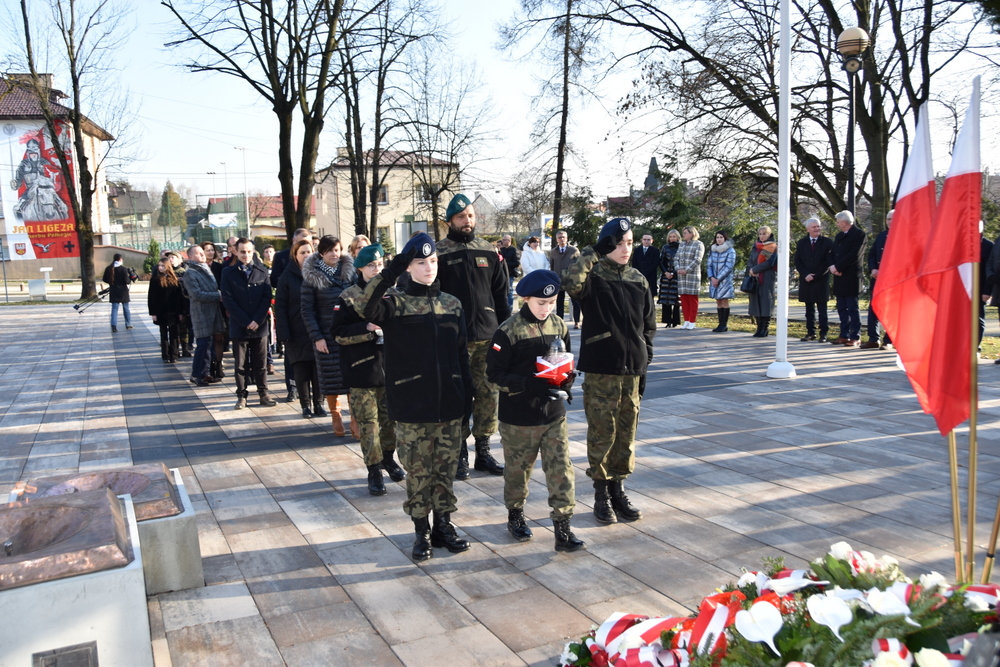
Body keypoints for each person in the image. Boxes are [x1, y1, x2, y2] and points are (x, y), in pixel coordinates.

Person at [352, 232, 473, 562]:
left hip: (449, 404)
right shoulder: (395, 304)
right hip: (412, 406)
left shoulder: (452, 304)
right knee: (419, 474)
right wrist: (392, 269)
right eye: (420, 262)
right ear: (408, 266)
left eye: (432, 261)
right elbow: (365, 306)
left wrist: (467, 397)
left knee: (445, 471)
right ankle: (422, 531)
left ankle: (443, 526)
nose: (429, 268)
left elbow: (461, 355)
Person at [562, 218, 655, 525]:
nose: (625, 249)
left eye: (629, 243)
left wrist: (645, 360)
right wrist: (593, 252)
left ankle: (619, 490)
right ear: (607, 245)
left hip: (632, 370)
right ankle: (601, 494)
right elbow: (570, 283)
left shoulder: (638, 279)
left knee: (626, 434)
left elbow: (648, 325)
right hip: (602, 368)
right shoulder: (594, 275)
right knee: (603, 432)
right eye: (618, 244)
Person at [486, 270, 585, 552]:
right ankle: (515, 514)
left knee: (562, 471)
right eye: (541, 303)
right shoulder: (508, 331)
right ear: (525, 299)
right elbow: (493, 376)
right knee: (518, 472)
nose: (547, 308)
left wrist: (566, 381)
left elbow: (565, 361)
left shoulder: (559, 325)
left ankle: (563, 527)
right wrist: (527, 384)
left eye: (552, 302)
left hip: (553, 414)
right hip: (519, 418)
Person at [436, 193, 511, 478]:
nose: (467, 221)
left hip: (488, 337)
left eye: (470, 215)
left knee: (488, 396)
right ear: (449, 221)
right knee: (458, 398)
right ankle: (459, 454)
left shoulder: (489, 251)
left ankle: (483, 451)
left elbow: (501, 295)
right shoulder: (438, 254)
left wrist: (505, 334)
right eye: (460, 217)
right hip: (453, 340)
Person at [333, 243, 406, 495]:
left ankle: (388, 458)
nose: (377, 269)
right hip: (362, 370)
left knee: (390, 422)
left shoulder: (393, 294)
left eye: (380, 264)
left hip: (390, 368)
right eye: (371, 265)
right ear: (360, 268)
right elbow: (339, 334)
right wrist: (366, 329)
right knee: (369, 424)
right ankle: (374, 470)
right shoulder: (348, 296)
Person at [301, 235, 355, 436]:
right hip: (326, 334)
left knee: (352, 377)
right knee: (331, 378)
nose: (334, 254)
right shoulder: (312, 277)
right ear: (322, 252)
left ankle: (355, 418)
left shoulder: (350, 273)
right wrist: (317, 337)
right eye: (330, 250)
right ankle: (336, 415)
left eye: (337, 250)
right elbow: (307, 310)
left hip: (348, 333)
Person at [220, 238, 277, 409]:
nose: (246, 255)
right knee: (240, 365)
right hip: (239, 326)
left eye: (249, 251)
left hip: (260, 326)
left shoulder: (262, 271)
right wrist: (245, 321)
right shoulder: (228, 273)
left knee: (261, 364)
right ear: (236, 252)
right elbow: (228, 300)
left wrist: (257, 320)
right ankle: (241, 396)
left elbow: (266, 297)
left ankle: (263, 394)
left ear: (253, 252)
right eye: (242, 251)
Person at [274, 239, 326, 418]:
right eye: (302, 252)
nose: (306, 255)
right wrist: (283, 333)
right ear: (295, 255)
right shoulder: (286, 276)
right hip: (295, 331)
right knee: (301, 370)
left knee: (318, 369)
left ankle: (319, 403)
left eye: (309, 251)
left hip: (317, 330)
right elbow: (280, 307)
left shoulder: (319, 273)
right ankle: (305, 406)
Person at [182, 245, 225, 386]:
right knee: (202, 343)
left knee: (209, 343)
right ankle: (196, 374)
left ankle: (205, 373)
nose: (202, 255)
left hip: (212, 311)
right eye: (198, 253)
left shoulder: (205, 268)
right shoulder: (190, 273)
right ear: (190, 257)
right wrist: (218, 296)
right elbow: (197, 294)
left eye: (202, 253)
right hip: (201, 312)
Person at [828, 210, 866, 347]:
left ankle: (855, 336)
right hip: (839, 276)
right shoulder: (839, 236)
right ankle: (844, 335)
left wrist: (838, 267)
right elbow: (832, 253)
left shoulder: (859, 234)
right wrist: (832, 267)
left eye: (838, 222)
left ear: (844, 222)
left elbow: (854, 255)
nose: (837, 224)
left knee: (852, 307)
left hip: (851, 276)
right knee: (842, 307)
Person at [794, 217, 833, 342]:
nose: (817, 229)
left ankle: (823, 333)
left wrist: (816, 275)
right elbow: (798, 261)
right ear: (808, 229)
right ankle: (811, 332)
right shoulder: (802, 243)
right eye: (814, 227)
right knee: (809, 309)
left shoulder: (827, 242)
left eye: (818, 226)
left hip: (821, 280)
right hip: (806, 280)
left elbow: (828, 261)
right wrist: (806, 274)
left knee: (822, 309)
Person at [861, 210, 892, 349]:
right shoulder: (881, 235)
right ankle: (873, 338)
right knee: (874, 307)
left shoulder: (903, 236)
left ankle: (888, 340)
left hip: (892, 280)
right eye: (888, 219)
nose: (890, 221)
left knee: (890, 310)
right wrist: (873, 269)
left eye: (893, 219)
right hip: (877, 278)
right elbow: (872, 254)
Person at [148, 258, 185, 363]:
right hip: (161, 311)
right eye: (159, 266)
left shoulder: (174, 279)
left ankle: (174, 355)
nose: (160, 268)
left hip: (173, 311)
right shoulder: (155, 279)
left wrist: (180, 312)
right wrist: (153, 313)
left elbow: (179, 297)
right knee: (163, 334)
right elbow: (151, 297)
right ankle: (165, 355)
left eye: (162, 266)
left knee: (174, 334)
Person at [748, 226, 779, 337]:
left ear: (769, 235)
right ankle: (759, 327)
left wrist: (755, 269)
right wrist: (751, 270)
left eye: (764, 234)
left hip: (767, 277)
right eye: (760, 234)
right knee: (756, 302)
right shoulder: (756, 246)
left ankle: (765, 328)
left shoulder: (772, 246)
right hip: (755, 278)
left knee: (766, 302)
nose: (762, 236)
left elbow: (769, 262)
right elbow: (750, 261)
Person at [549, 230, 581, 328]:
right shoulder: (553, 252)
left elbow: (579, 265)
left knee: (575, 302)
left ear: (567, 239)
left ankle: (577, 322)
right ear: (556, 239)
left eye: (563, 237)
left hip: (571, 280)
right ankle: (560, 322)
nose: (562, 239)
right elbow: (552, 266)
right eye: (560, 237)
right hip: (559, 280)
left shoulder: (574, 250)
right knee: (559, 303)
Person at [675, 226, 704, 329]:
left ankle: (692, 321)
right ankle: (686, 320)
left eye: (685, 233)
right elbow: (676, 258)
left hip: (692, 275)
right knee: (684, 298)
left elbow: (697, 259)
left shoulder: (699, 244)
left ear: (692, 233)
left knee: (692, 299)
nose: (683, 235)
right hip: (681, 276)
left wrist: (687, 270)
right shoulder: (682, 244)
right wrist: (678, 269)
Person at [707, 230, 736, 332]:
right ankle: (720, 323)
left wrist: (718, 278)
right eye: (717, 237)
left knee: (724, 301)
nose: (719, 239)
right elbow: (709, 265)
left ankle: (724, 324)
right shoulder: (713, 250)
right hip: (714, 281)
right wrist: (712, 277)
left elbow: (729, 266)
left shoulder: (730, 251)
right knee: (718, 301)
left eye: (721, 237)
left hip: (725, 281)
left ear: (725, 238)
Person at [102, 253, 137, 332]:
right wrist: (130, 278)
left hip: (113, 290)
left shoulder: (108, 268)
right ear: (120, 259)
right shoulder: (123, 269)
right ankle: (128, 324)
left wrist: (111, 282)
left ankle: (113, 325)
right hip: (123, 291)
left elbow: (104, 279)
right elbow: (127, 281)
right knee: (126, 308)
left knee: (114, 309)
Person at [657, 229, 681, 327]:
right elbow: (661, 261)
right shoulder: (665, 247)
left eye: (674, 236)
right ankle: (667, 321)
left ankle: (675, 321)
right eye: (670, 237)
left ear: (678, 237)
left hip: (677, 276)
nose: (672, 238)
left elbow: (682, 262)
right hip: (666, 276)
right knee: (665, 299)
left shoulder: (681, 247)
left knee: (675, 300)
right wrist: (665, 272)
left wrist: (674, 273)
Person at [631, 232, 660, 299]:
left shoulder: (655, 251)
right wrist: (639, 273)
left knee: (650, 297)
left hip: (650, 277)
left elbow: (655, 264)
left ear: (652, 241)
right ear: (642, 240)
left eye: (648, 239)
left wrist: (645, 273)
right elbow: (634, 263)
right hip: (638, 276)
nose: (646, 241)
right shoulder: (637, 250)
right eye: (645, 239)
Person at [498, 234, 521, 310]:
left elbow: (517, 263)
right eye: (503, 240)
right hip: (501, 273)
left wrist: (505, 264)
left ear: (509, 241)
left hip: (510, 273)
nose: (504, 241)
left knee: (509, 290)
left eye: (505, 240)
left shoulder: (514, 250)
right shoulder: (501, 250)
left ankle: (509, 308)